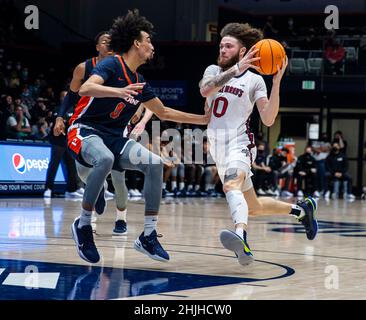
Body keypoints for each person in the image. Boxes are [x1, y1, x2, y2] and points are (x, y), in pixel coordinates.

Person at [67, 9, 209, 264]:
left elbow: (163, 111)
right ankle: (84, 225)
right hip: (85, 130)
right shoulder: (111, 64)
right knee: (105, 159)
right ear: (136, 43)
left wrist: (203, 119)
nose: (152, 46)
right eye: (149, 41)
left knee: (155, 164)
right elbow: (86, 88)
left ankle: (148, 235)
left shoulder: (141, 81)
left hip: (114, 137)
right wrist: (119, 92)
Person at [199, 22, 318, 266]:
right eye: (221, 45)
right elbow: (204, 90)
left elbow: (268, 118)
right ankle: (302, 211)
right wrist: (234, 70)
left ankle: (241, 237)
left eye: (228, 46)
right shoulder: (213, 70)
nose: (222, 49)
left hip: (239, 144)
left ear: (242, 51)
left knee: (231, 185)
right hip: (217, 148)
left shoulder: (255, 80)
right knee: (252, 207)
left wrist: (276, 84)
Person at [54, 31, 153, 235]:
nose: (109, 46)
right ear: (97, 47)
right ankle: (97, 190)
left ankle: (121, 219)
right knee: (83, 172)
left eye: (112, 43)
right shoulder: (85, 68)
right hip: (89, 127)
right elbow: (72, 95)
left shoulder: (122, 68)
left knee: (118, 177)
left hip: (114, 130)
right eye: (105, 42)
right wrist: (59, 117)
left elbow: (142, 99)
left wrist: (139, 116)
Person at [44, 91, 82, 199]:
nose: (65, 97)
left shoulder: (74, 109)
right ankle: (48, 188)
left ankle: (71, 190)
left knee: (71, 167)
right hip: (57, 142)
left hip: (69, 141)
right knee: (54, 166)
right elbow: (57, 123)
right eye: (63, 96)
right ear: (61, 98)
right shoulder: (57, 109)